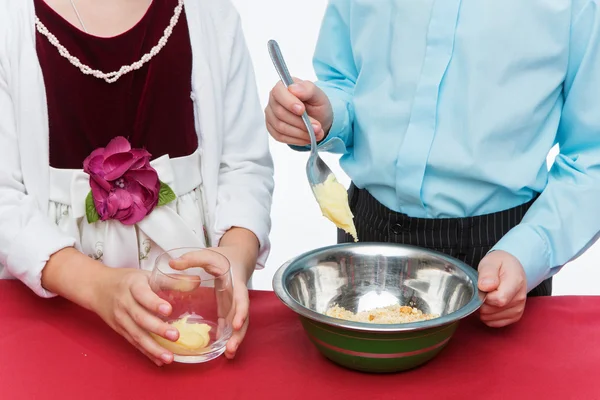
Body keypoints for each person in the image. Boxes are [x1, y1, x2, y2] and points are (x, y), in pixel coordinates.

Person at [266, 0, 600, 327]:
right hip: (365, 232)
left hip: (498, 257)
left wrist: (529, 252)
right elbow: (346, 82)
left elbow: (592, 154)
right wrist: (325, 115)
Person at [0, 0, 274, 366]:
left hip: (197, 315)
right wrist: (96, 285)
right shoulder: (9, 22)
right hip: (59, 314)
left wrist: (234, 260)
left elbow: (244, 165)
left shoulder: (210, 12)